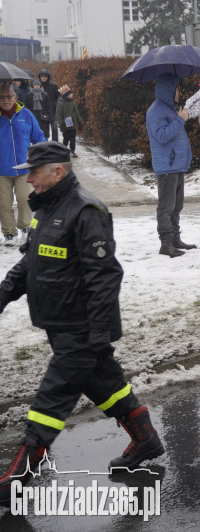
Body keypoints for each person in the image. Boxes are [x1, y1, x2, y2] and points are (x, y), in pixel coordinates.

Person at [0, 142, 164, 508]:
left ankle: (20, 475)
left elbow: (106, 276)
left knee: (52, 397)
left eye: (34, 171)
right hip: (60, 323)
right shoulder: (47, 208)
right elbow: (31, 265)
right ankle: (146, 439)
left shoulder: (86, 210)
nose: (28, 178)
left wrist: (98, 332)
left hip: (82, 326)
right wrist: (3, 294)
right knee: (104, 382)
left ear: (57, 172)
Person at [145, 73, 196, 257]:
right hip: (167, 166)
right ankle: (166, 244)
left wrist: (180, 116)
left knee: (176, 206)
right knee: (166, 207)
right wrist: (180, 119)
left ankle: (175, 239)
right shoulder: (156, 111)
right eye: (177, 89)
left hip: (176, 165)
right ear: (168, 90)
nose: (179, 93)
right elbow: (163, 135)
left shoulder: (169, 108)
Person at [0, 80, 46, 243]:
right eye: (1, 97)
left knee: (25, 199)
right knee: (4, 204)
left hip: (24, 167)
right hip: (1, 170)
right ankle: (9, 233)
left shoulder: (26, 115)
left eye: (9, 96)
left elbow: (38, 137)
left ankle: (26, 228)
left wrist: (43, 154)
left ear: (15, 97)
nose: (5, 100)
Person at [55, 85, 82, 158]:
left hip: (72, 125)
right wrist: (61, 125)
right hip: (65, 126)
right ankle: (63, 151)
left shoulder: (72, 102)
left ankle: (72, 150)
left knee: (73, 139)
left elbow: (76, 113)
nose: (72, 95)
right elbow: (59, 115)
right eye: (70, 94)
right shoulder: (61, 103)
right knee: (66, 139)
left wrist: (79, 122)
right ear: (66, 95)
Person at [37, 69, 60, 142]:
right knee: (43, 129)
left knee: (54, 128)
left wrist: (55, 106)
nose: (43, 77)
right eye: (42, 76)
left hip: (53, 110)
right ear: (39, 77)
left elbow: (57, 97)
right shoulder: (38, 87)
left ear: (48, 77)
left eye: (45, 76)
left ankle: (55, 143)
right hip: (43, 111)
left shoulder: (53, 86)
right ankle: (44, 143)